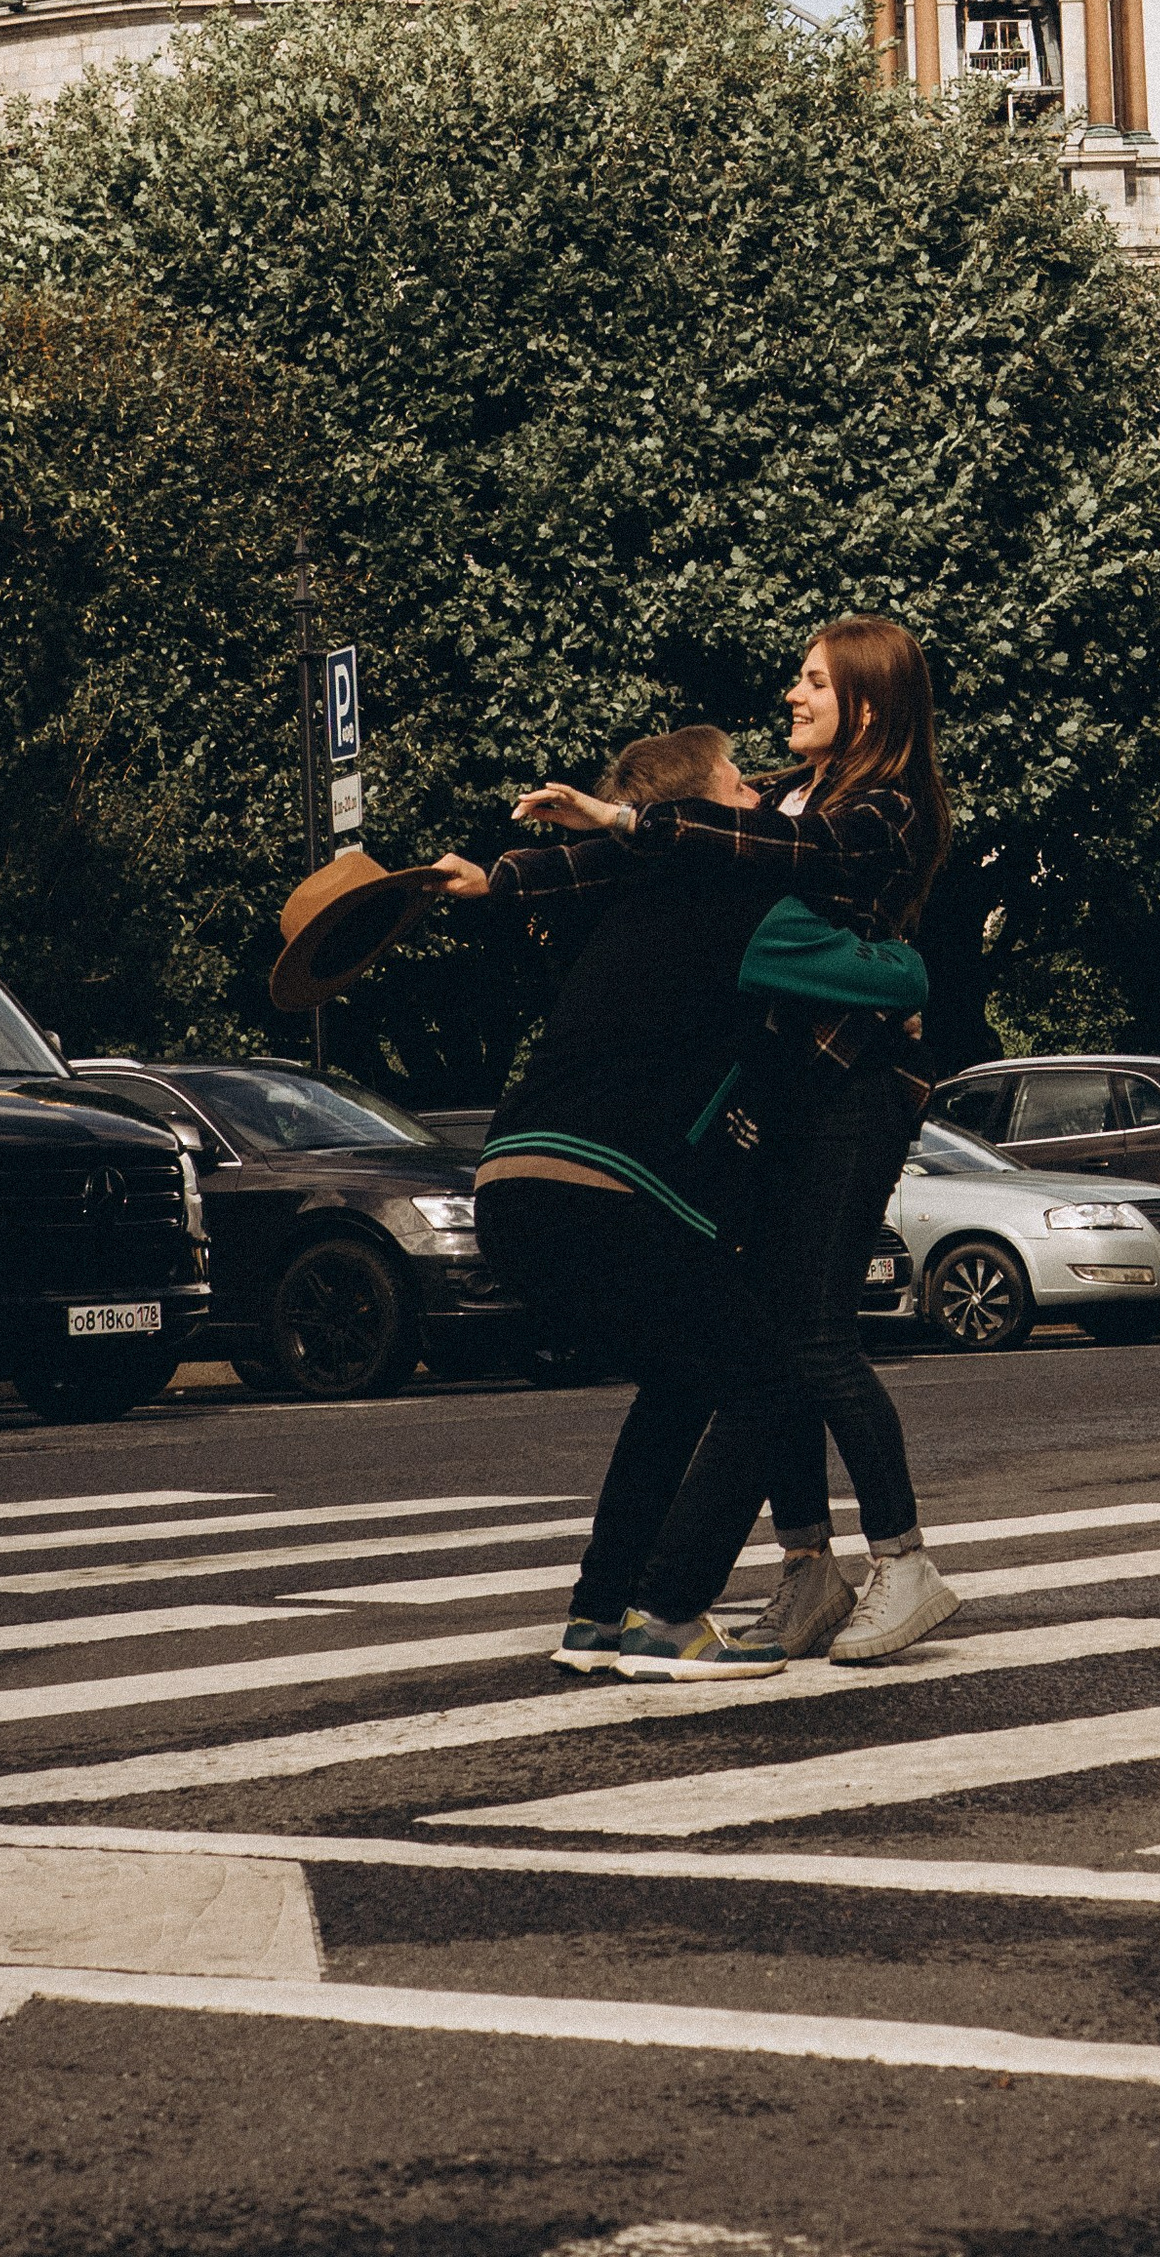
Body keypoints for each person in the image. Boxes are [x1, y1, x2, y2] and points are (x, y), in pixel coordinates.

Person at [503, 617, 960, 1666]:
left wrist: (624, 820)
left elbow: (743, 851)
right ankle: (807, 1567)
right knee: (763, 1337)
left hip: (854, 1088)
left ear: (871, 707)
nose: (790, 697)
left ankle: (902, 1560)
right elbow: (664, 853)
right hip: (779, 1096)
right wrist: (509, 880)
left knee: (813, 1334)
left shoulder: (878, 811)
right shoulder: (782, 794)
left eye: (813, 682)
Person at [457, 729, 801, 1680]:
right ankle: (668, 1612)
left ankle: (596, 1615)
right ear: (703, 812)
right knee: (772, 1376)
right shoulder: (734, 893)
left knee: (683, 1379)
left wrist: (509, 876)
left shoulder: (622, 899)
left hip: (509, 1185)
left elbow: (607, 857)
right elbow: (881, 971)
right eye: (741, 778)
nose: (760, 791)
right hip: (604, 1190)